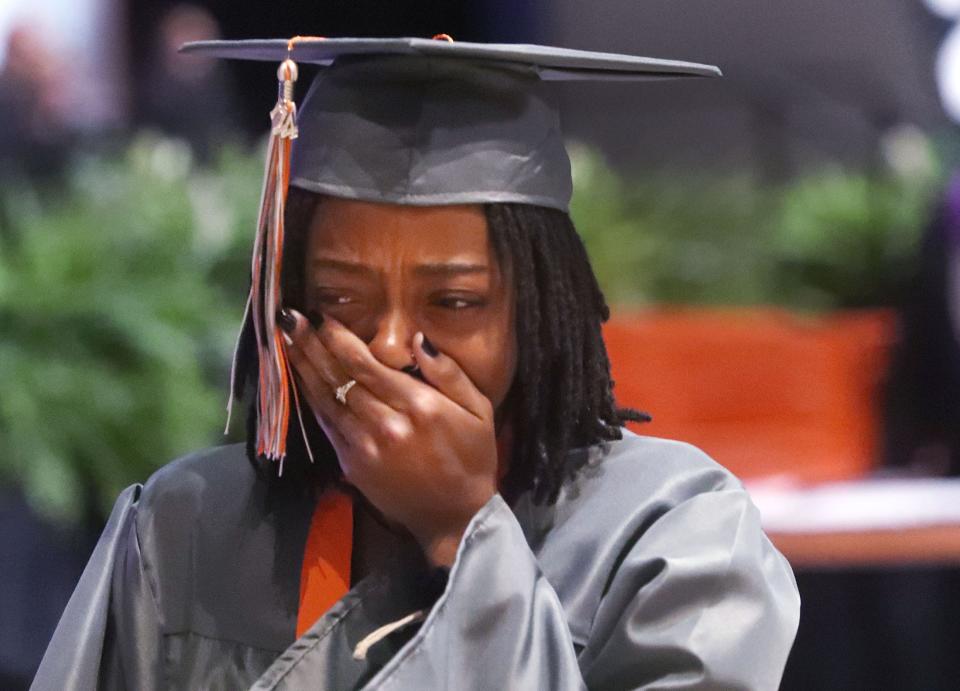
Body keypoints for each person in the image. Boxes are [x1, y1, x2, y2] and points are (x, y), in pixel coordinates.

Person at [32, 37, 799, 690]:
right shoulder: (189, 525)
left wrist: (460, 527)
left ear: (537, 308)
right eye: (342, 295)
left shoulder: (673, 538)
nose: (393, 344)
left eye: (454, 302)